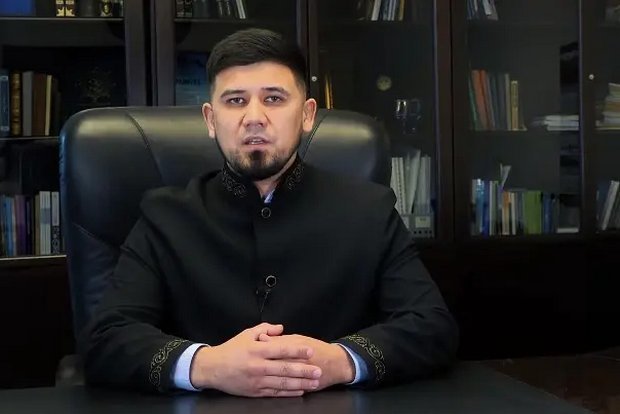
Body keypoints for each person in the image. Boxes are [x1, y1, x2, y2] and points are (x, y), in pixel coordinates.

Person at [80, 28, 459, 398]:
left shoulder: (368, 211)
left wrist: (338, 361)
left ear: (307, 114)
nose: (254, 117)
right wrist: (207, 366)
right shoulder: (164, 217)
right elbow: (105, 340)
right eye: (235, 101)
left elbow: (432, 326)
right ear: (211, 120)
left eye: (274, 99)